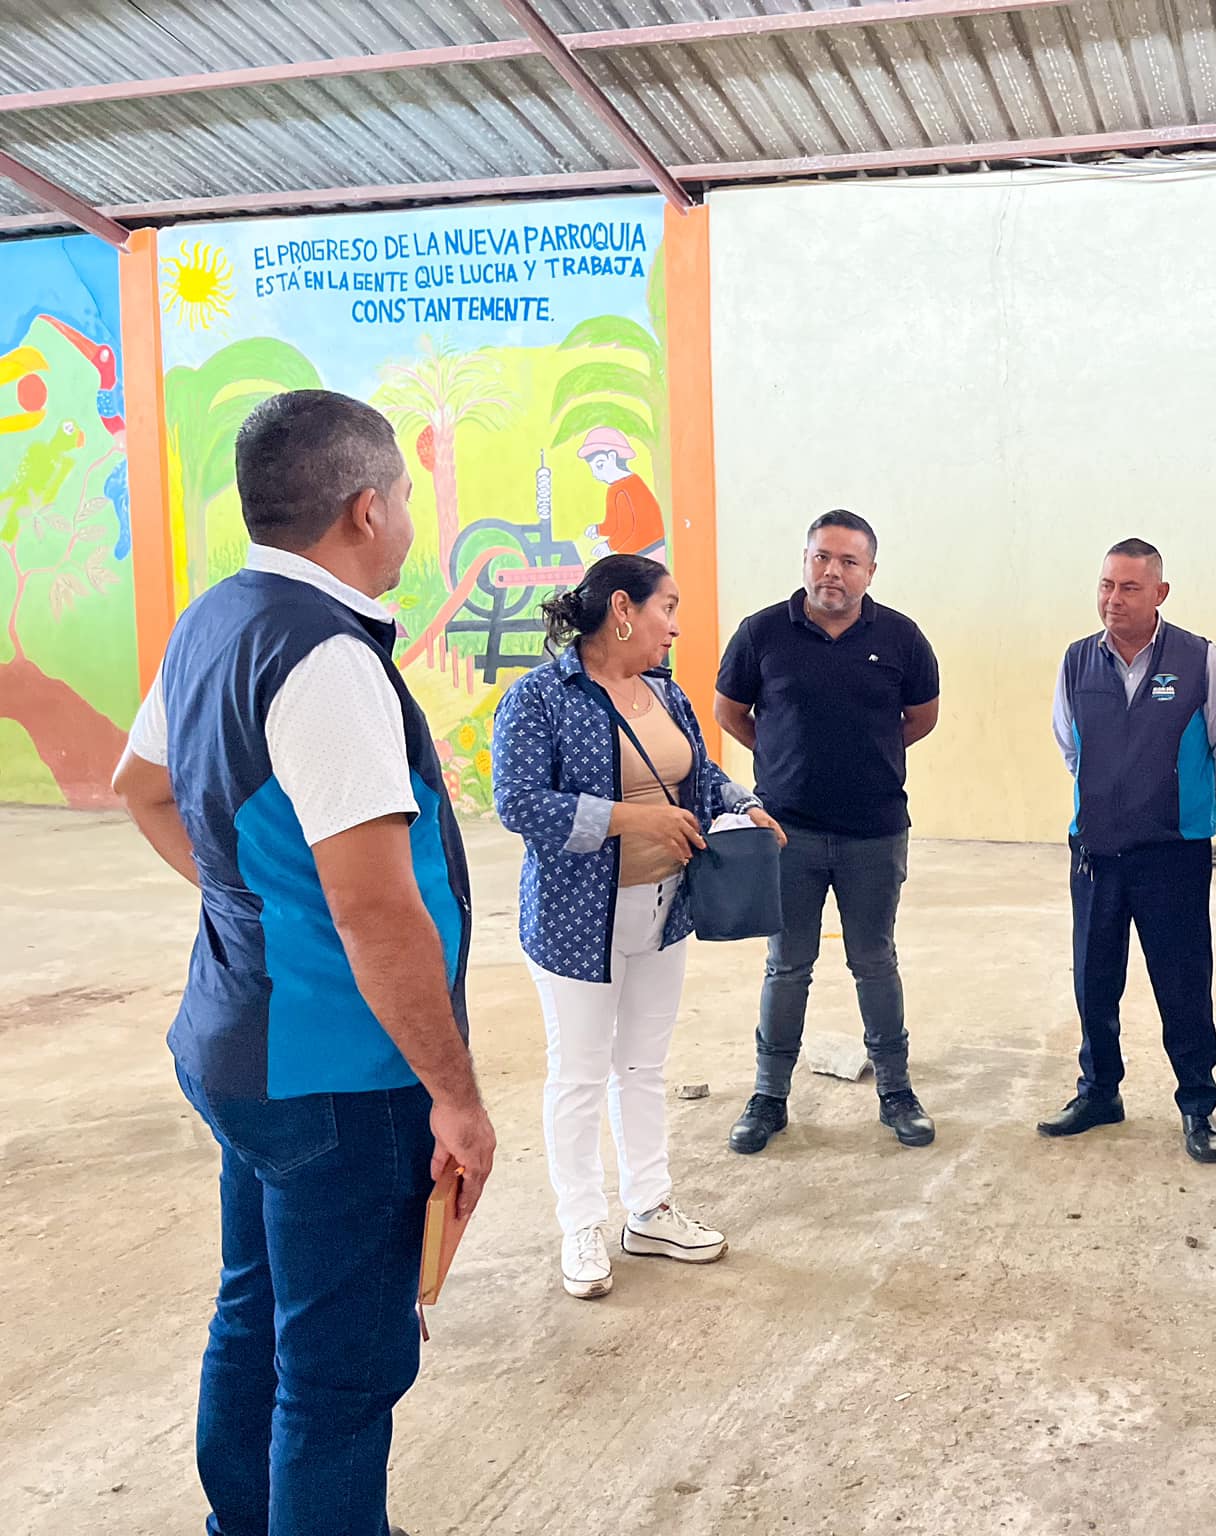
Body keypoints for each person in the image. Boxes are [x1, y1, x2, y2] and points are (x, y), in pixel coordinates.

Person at [110, 389, 497, 1536]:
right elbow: (376, 914)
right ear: (366, 510)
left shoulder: (214, 619)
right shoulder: (326, 660)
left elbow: (142, 788)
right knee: (341, 1376)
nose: (411, 518)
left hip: (239, 1052)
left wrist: (256, 909)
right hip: (340, 1080)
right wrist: (457, 1097)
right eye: (407, 497)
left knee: (255, 1315)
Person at [492, 553, 783, 1299]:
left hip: (665, 908)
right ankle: (581, 1223)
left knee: (643, 1067)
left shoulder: (666, 693)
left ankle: (649, 1210)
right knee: (580, 1073)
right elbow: (518, 803)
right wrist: (631, 819)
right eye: (667, 607)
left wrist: (744, 804)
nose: (675, 625)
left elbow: (697, 773)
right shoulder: (540, 698)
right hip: (575, 920)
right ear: (623, 608)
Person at [713, 509, 942, 1154]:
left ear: (870, 571)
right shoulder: (761, 633)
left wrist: (867, 759)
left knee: (875, 962)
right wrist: (781, 761)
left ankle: (896, 1091)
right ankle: (769, 1096)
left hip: (874, 832)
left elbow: (921, 717)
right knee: (787, 966)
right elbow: (729, 711)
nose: (832, 571)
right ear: (805, 560)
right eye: (822, 557)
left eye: (848, 561)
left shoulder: (901, 637)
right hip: (787, 834)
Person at [1041, 538, 1216, 1164]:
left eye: (1129, 587)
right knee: (1094, 982)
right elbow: (1070, 746)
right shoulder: (1077, 661)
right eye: (1106, 585)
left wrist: (1178, 804)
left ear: (1160, 592)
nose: (1114, 599)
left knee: (1183, 984)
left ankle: (1197, 1103)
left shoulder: (1200, 659)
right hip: (1096, 854)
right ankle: (1100, 1092)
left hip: (1172, 854)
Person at [577, 426, 666, 561]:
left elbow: (626, 527)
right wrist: (598, 529)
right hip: (635, 553)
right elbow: (613, 524)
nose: (596, 475)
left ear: (612, 457)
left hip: (649, 551)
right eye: (592, 469)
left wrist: (608, 546)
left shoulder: (629, 486)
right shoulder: (614, 488)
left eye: (600, 465)